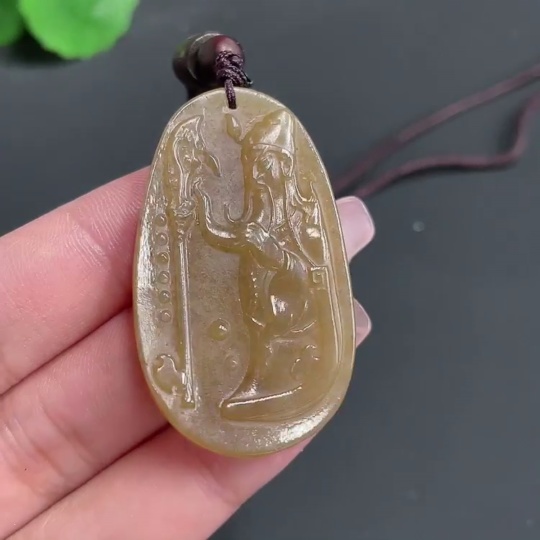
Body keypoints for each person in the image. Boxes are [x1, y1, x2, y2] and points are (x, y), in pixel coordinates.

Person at [0, 167, 374, 539]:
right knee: (257, 334)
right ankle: (256, 379)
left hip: (281, 300)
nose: (258, 179)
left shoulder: (286, 219)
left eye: (264, 171)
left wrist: (268, 249)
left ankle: (266, 379)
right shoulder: (254, 220)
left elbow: (292, 261)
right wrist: (201, 209)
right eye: (255, 171)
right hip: (258, 300)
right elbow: (224, 236)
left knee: (269, 334)